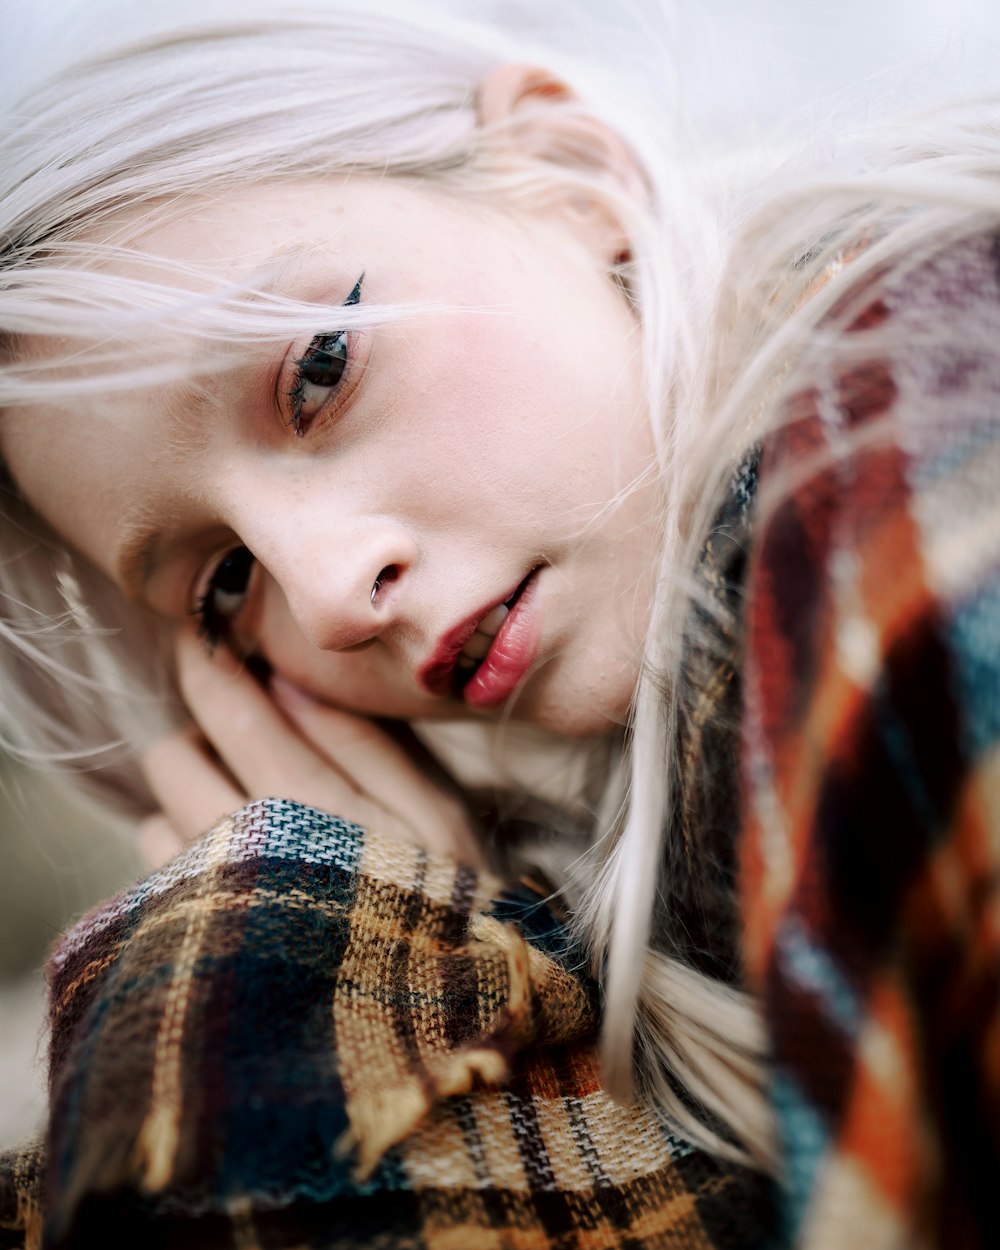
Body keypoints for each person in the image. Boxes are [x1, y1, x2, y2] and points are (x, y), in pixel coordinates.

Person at [0, 1, 998, 1246]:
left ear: (567, 172)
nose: (319, 593)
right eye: (221, 584)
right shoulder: (662, 883)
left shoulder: (922, 458)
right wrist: (402, 961)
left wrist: (274, 959)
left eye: (318, 371)